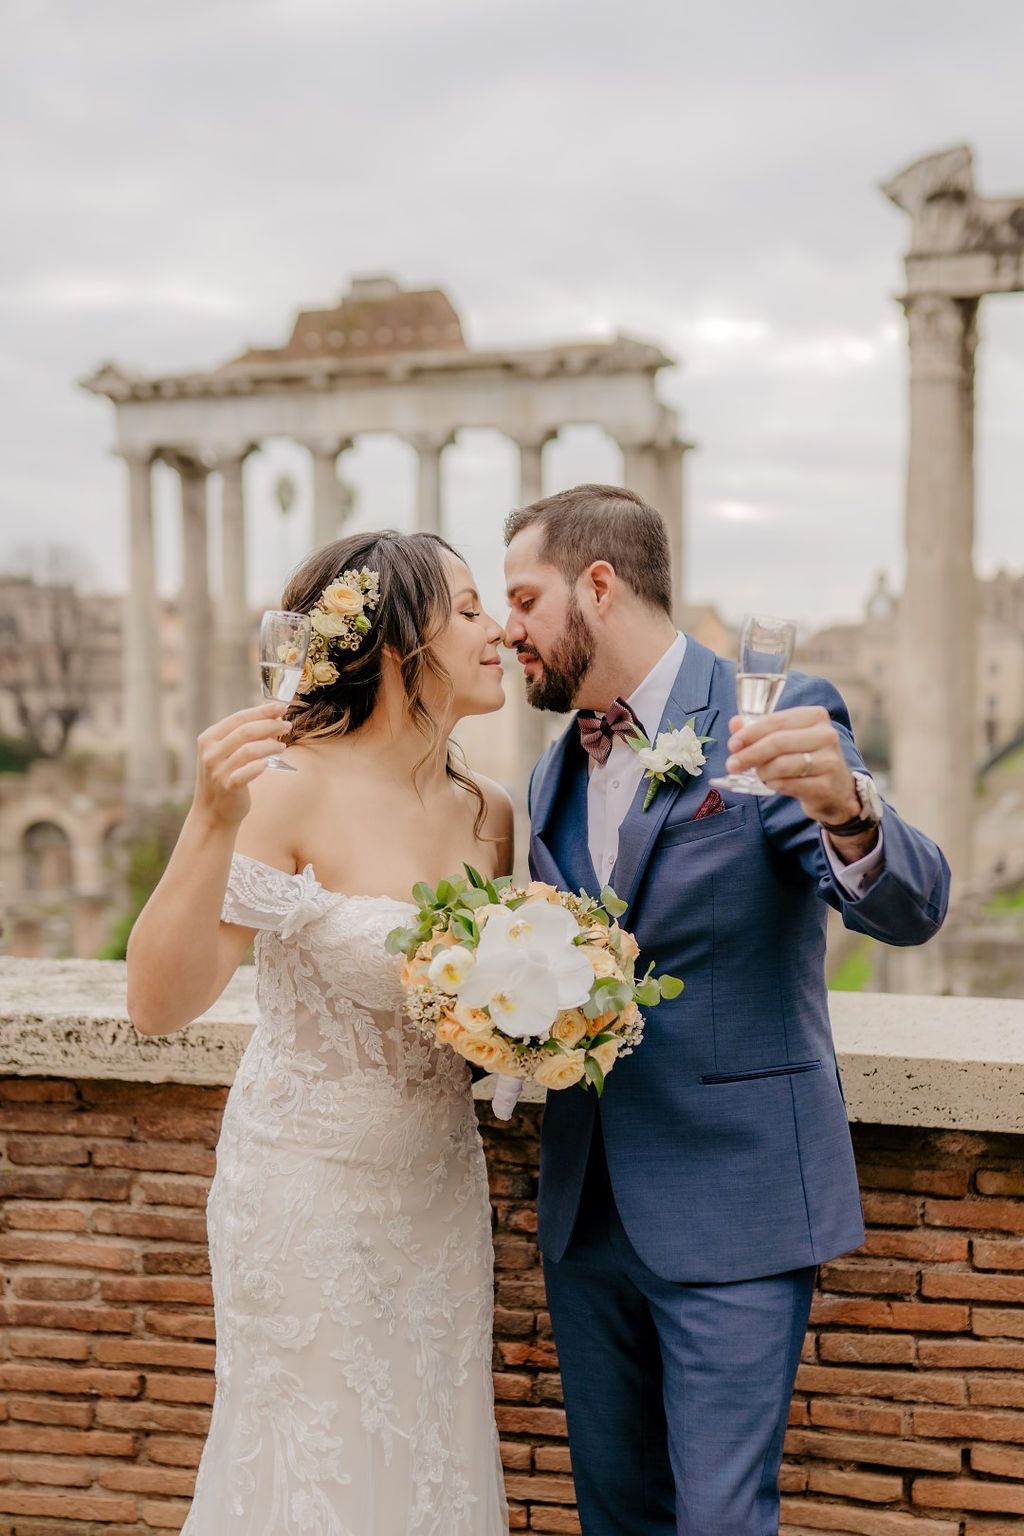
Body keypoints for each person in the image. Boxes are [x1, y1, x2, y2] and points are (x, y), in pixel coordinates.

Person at [503, 484, 950, 1536]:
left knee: (719, 1522)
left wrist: (850, 810)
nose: (507, 629)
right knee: (617, 1517)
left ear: (598, 586)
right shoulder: (549, 771)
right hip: (585, 1214)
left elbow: (913, 905)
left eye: (524, 597)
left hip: (734, 1207)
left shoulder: (770, 710)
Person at [127, 530, 512, 1536]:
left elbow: (479, 1023)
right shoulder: (283, 785)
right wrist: (209, 819)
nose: (499, 631)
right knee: (317, 1468)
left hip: (437, 1191)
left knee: (431, 1451)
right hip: (303, 1196)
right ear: (396, 646)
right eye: (469, 611)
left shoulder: (491, 819)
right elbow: (158, 1006)